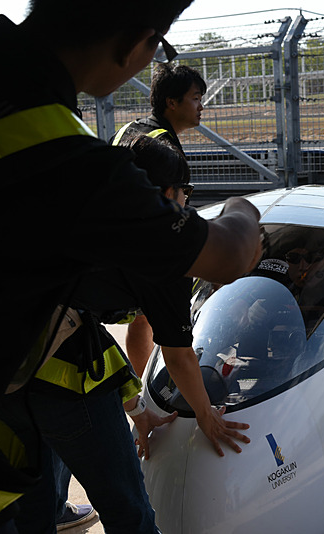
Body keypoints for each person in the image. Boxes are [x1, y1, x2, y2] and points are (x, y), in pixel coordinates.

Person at [0, 1, 261, 531]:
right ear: (136, 44)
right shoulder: (75, 168)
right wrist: (246, 209)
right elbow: (229, 257)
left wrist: (131, 401)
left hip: (9, 387)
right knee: (126, 504)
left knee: (34, 494)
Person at [10, 135, 251, 533]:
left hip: (5, 376)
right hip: (64, 387)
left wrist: (137, 409)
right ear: (166, 193)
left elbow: (79, 325)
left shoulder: (85, 215)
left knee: (30, 515)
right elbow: (178, 356)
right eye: (185, 190)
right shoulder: (162, 247)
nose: (187, 201)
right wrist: (206, 416)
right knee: (128, 510)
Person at [110, 63, 207, 377]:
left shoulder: (130, 129)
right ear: (172, 102)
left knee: (140, 318)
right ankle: (150, 385)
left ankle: (139, 382)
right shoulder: (164, 147)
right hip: (138, 251)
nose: (201, 106)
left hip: (109, 241)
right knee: (155, 318)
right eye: (195, 98)